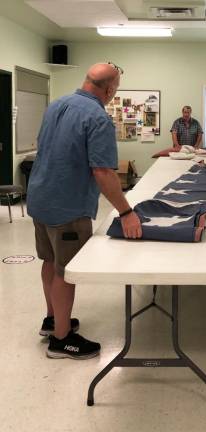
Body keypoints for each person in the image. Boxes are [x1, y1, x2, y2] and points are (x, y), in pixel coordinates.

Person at [27, 63, 142, 360]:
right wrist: (126, 212)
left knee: (50, 260)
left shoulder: (56, 105)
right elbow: (103, 173)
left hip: (40, 197)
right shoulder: (97, 118)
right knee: (67, 271)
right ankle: (62, 341)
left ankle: (52, 320)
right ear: (110, 90)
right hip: (67, 206)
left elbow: (43, 146)